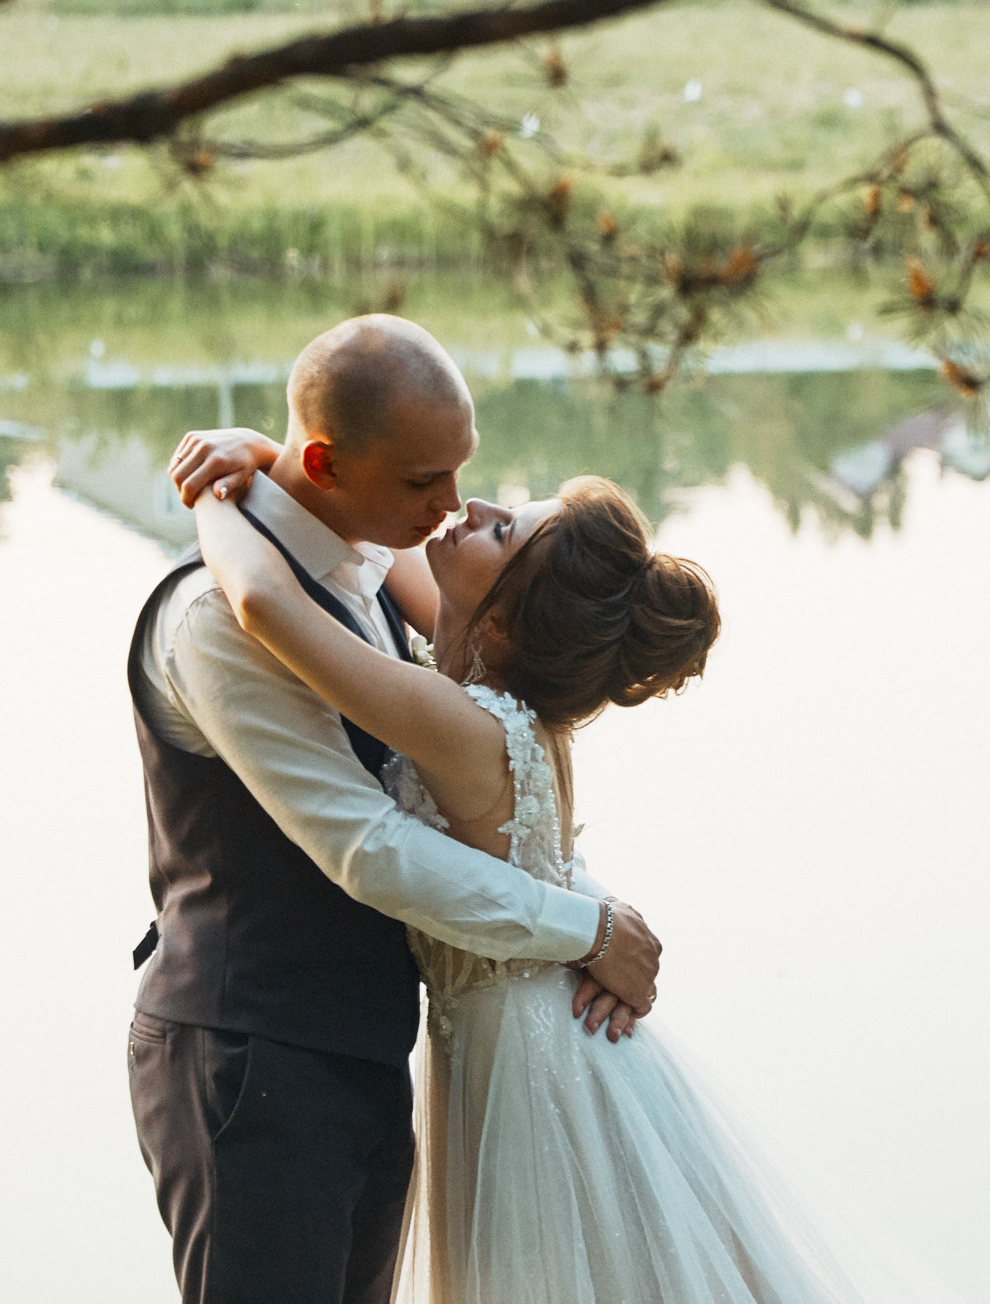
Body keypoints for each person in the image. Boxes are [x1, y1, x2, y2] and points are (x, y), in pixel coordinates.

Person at [176, 433, 927, 1304]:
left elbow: (264, 602)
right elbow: (382, 559)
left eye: (503, 532)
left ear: (502, 619)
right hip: (542, 1026)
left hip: (527, 1064)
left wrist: (210, 498)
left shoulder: (456, 720)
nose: (477, 509)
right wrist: (279, 460)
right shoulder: (497, 687)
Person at [128, 315, 663, 1304]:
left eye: (460, 473)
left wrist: (251, 455)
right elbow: (367, 846)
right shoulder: (218, 616)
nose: (453, 505)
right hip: (252, 1057)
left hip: (377, 1049)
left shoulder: (370, 568)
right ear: (329, 461)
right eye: (425, 480)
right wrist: (584, 925)